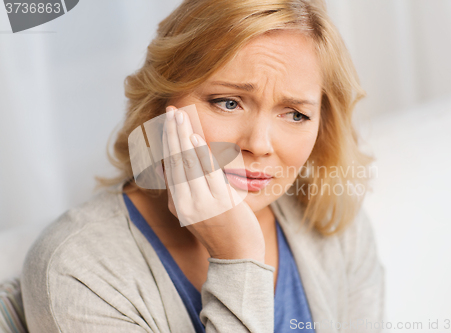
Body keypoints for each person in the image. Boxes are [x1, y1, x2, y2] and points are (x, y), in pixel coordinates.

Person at [21, 0, 385, 332]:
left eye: (295, 114)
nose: (259, 144)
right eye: (228, 102)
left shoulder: (334, 224)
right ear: (162, 101)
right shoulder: (78, 269)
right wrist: (238, 258)